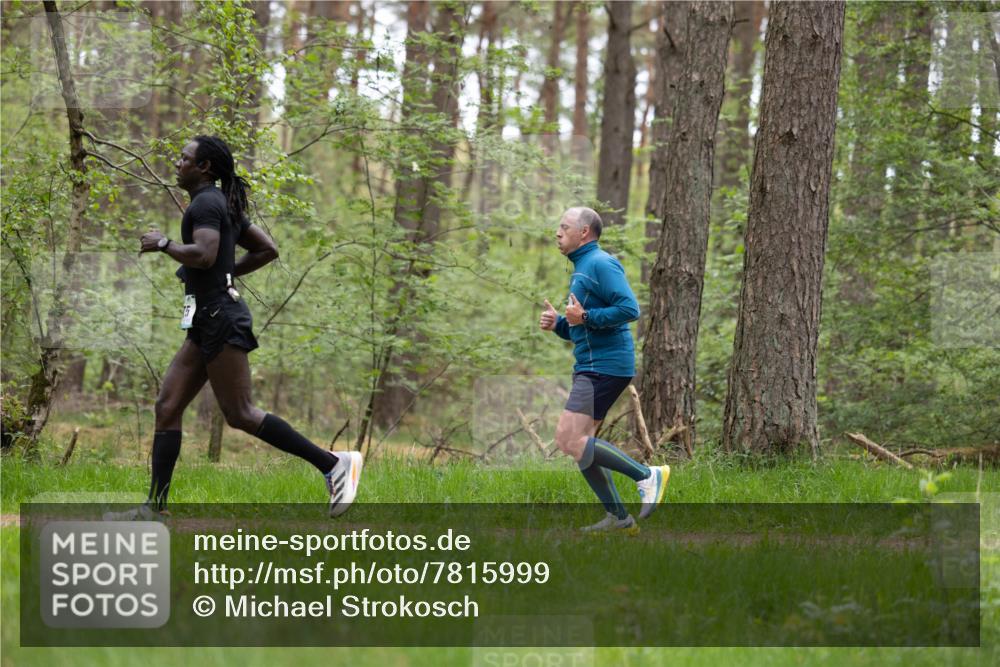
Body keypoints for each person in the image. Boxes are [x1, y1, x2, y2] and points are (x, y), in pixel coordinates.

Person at [125, 135, 362, 518]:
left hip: (220, 318)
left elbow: (204, 254)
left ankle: (334, 464)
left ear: (204, 167)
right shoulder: (221, 203)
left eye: (184, 158)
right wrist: (223, 271)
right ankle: (154, 508)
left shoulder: (206, 203)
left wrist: (165, 243)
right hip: (206, 320)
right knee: (167, 406)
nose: (177, 162)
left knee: (241, 413)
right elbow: (265, 250)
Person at [539, 207, 669, 532]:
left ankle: (647, 475)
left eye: (564, 226)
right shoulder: (582, 269)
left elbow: (630, 308)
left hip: (604, 366)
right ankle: (619, 518)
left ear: (584, 232)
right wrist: (559, 323)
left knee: (568, 438)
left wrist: (583, 318)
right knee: (581, 445)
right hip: (593, 365)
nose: (558, 232)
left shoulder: (599, 263)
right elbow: (581, 326)